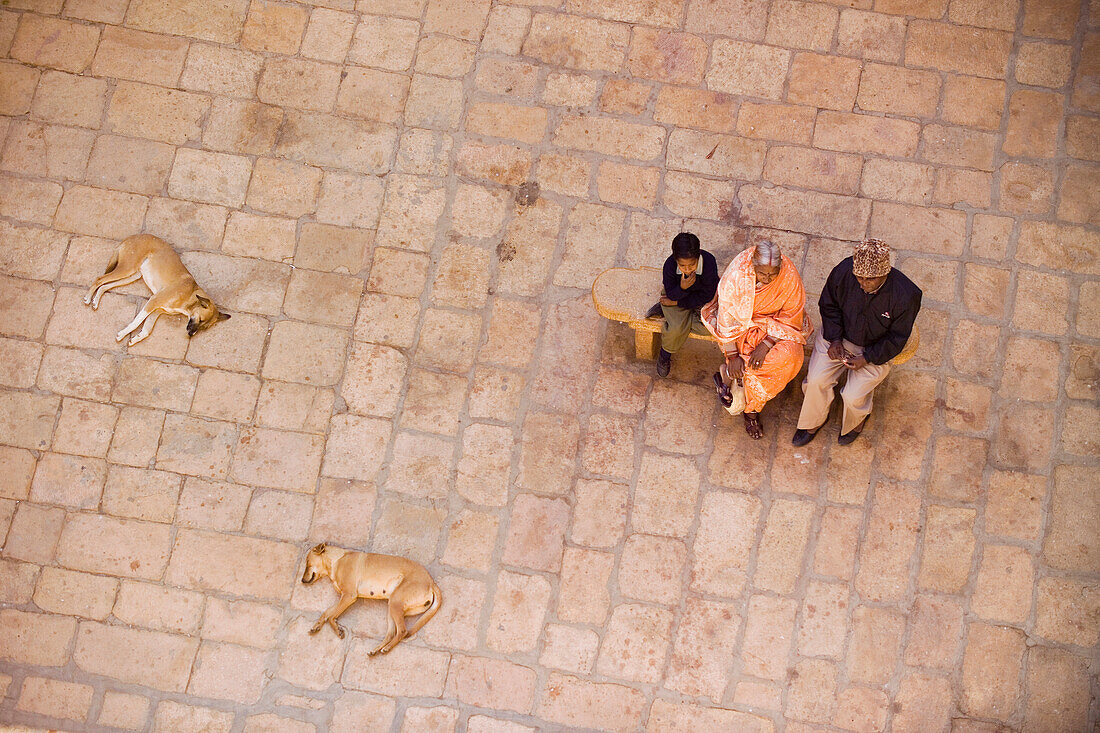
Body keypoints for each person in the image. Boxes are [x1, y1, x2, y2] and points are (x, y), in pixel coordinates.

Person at [792, 238, 922, 447]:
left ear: (884, 274)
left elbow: (898, 337)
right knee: (816, 380)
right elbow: (829, 305)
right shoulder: (843, 273)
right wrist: (834, 339)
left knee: (853, 395)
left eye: (869, 280)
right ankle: (813, 421)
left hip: (876, 349)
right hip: (838, 337)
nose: (862, 283)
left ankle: (856, 421)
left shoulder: (906, 295)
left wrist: (868, 357)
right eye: (858, 277)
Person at [702, 241, 810, 439]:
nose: (767, 278)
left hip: (778, 328)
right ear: (753, 264)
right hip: (741, 327)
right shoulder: (737, 275)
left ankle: (730, 376)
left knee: (792, 356)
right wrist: (733, 354)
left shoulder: (789, 276)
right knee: (750, 364)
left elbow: (792, 315)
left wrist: (766, 345)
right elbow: (727, 317)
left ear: (780, 267)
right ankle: (751, 410)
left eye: (772, 274)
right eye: (762, 273)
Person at [645, 232, 719, 378]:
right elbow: (671, 293)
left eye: (692, 264)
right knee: (676, 329)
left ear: (698, 256)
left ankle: (667, 310)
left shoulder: (709, 262)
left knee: (711, 329)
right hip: (677, 295)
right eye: (682, 265)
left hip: (696, 301)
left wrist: (676, 303)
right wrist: (682, 288)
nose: (687, 269)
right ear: (676, 260)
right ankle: (665, 355)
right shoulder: (670, 265)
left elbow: (707, 295)